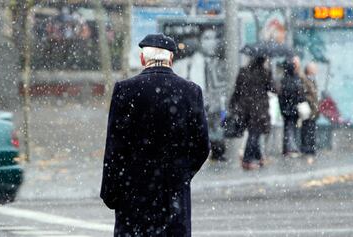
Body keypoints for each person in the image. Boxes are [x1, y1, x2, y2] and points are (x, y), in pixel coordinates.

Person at [100, 34, 210, 237]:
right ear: (171, 59)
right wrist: (181, 174)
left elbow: (115, 147)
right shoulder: (191, 91)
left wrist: (110, 191)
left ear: (143, 59)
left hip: (133, 193)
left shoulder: (125, 90)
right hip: (173, 195)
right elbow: (202, 146)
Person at [173, 28, 227, 161]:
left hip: (214, 105)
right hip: (197, 104)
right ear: (199, 41)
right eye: (207, 38)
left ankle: (216, 152)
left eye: (214, 38)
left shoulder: (219, 64)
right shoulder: (186, 64)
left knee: (215, 129)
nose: (212, 42)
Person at [229, 56, 275, 170]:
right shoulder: (264, 73)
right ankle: (247, 160)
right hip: (258, 109)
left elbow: (237, 89)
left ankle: (259, 157)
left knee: (253, 133)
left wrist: (233, 104)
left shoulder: (243, 71)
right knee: (254, 134)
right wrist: (270, 73)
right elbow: (273, 88)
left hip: (244, 108)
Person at [278, 56, 306, 157]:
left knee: (289, 128)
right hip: (291, 108)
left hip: (287, 108)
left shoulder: (285, 79)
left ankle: (288, 148)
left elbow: (282, 95)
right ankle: (290, 148)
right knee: (290, 128)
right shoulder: (294, 80)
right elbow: (297, 94)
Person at [300, 62, 320, 156]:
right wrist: (311, 100)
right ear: (309, 70)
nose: (316, 70)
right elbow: (305, 94)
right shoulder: (305, 79)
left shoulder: (313, 80)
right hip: (308, 109)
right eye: (314, 68)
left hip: (313, 110)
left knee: (311, 129)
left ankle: (311, 148)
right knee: (306, 129)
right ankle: (306, 148)